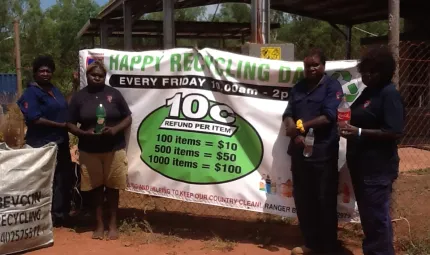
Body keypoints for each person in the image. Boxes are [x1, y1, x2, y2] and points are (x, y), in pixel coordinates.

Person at [340, 46, 404, 255]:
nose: (366, 75)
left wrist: (358, 132)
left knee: (376, 219)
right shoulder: (369, 92)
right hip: (361, 166)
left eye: (371, 71)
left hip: (377, 168)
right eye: (364, 71)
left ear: (383, 71)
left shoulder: (389, 94)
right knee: (369, 218)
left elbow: (394, 131)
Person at [283, 48, 343, 255]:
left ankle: (328, 247)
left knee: (324, 200)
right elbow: (288, 113)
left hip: (323, 154)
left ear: (323, 66)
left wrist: (302, 127)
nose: (310, 69)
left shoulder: (332, 87)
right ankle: (310, 244)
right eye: (307, 65)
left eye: (315, 65)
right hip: (299, 153)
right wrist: (294, 132)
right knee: (303, 200)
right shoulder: (298, 87)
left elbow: (329, 117)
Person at [67, 61, 132, 240]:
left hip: (113, 148)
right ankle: (99, 224)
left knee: (112, 188)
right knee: (95, 188)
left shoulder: (114, 94)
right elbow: (69, 123)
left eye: (100, 75)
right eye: (93, 74)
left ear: (105, 77)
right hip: (89, 149)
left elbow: (128, 118)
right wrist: (82, 133)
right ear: (86, 76)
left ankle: (112, 224)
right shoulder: (79, 97)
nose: (97, 77)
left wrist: (114, 130)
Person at [17, 55, 73, 226]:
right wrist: (61, 124)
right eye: (41, 70)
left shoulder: (54, 90)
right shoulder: (31, 93)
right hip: (41, 143)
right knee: (42, 179)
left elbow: (66, 105)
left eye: (48, 70)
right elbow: (34, 118)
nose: (45, 73)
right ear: (35, 73)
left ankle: (60, 214)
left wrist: (76, 84)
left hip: (60, 141)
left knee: (63, 177)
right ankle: (41, 216)